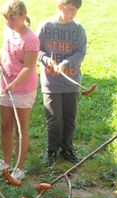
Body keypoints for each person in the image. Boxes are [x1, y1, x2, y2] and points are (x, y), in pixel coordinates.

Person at [0, 0, 39, 181]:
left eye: (12, 19)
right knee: (5, 125)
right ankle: (6, 162)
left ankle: (19, 167)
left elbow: (29, 67)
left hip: (23, 89)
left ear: (23, 17)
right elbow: (5, 49)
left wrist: (15, 83)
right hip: (6, 84)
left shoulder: (31, 39)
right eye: (6, 19)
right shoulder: (8, 31)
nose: (9, 23)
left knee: (21, 128)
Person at [37, 0, 86, 165]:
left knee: (69, 118)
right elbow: (36, 49)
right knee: (54, 118)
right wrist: (45, 59)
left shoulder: (78, 29)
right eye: (70, 9)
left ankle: (67, 148)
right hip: (51, 83)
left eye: (76, 11)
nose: (73, 14)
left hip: (71, 82)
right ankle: (51, 151)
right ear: (60, 6)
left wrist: (67, 63)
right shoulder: (46, 27)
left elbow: (80, 51)